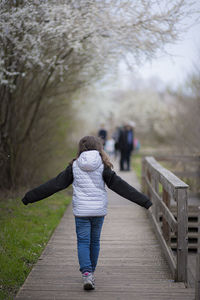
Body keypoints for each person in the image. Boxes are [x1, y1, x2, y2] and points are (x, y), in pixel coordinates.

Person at [21, 136, 152, 291]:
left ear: (80, 149)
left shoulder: (74, 166)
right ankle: (91, 273)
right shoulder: (103, 166)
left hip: (81, 212)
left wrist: (29, 197)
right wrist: (145, 201)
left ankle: (87, 274)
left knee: (83, 242)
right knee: (94, 242)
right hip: (98, 212)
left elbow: (54, 185)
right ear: (99, 148)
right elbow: (122, 187)